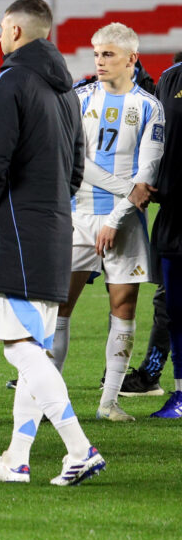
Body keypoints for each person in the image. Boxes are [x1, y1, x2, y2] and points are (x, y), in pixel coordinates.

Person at [0, 0, 104, 486]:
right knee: (34, 349)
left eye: (3, 28)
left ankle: (79, 448)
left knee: (19, 347)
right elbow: (74, 167)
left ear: (16, 31)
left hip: (14, 230)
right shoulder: (67, 90)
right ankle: (17, 458)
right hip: (52, 229)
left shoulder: (9, 81)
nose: (1, 36)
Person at [54, 23, 163, 421]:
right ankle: (53, 402)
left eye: (108, 54)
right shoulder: (79, 99)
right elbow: (73, 163)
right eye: (97, 54)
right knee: (60, 305)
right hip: (76, 213)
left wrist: (118, 215)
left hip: (127, 222)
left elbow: (148, 171)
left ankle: (109, 403)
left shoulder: (150, 106)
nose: (99, 61)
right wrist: (127, 190)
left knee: (124, 305)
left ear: (131, 58)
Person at [149, 56, 182, 418]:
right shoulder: (171, 79)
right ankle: (180, 394)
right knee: (175, 310)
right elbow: (157, 139)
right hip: (175, 216)